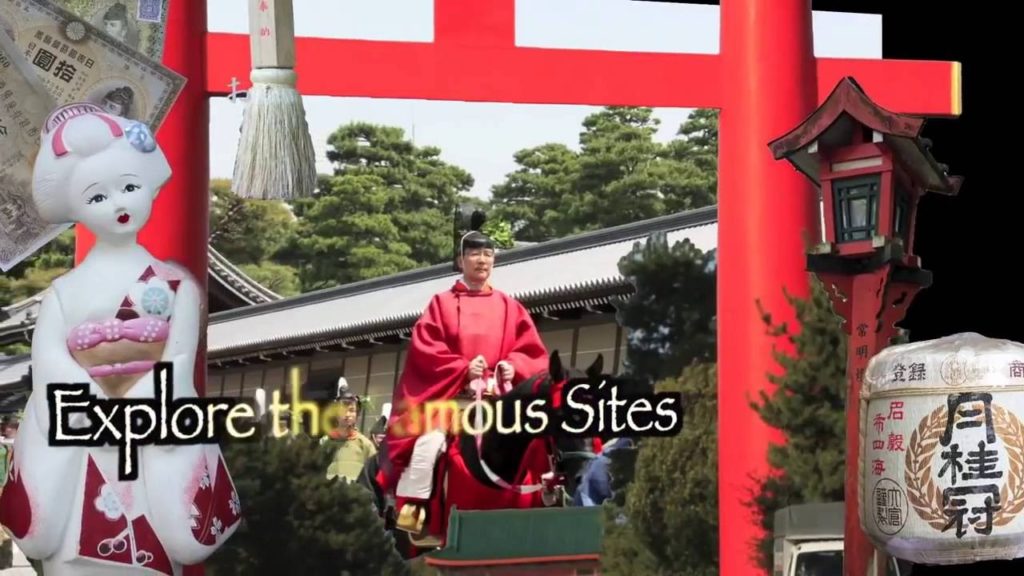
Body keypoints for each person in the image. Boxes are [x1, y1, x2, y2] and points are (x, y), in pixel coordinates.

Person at [0, 102, 240, 575]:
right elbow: (49, 364)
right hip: (82, 433)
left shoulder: (176, 285)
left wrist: (138, 404)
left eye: (129, 187)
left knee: (155, 541)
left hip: (149, 426)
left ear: (149, 185)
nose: (118, 204)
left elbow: (177, 361)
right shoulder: (63, 292)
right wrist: (92, 403)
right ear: (75, 209)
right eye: (96, 197)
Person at [380, 227, 549, 548]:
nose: (482, 260)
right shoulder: (441, 304)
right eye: (474, 254)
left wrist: (514, 365)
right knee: (428, 446)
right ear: (461, 260)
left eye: (488, 254)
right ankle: (416, 513)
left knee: (540, 443)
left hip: (498, 403)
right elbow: (426, 350)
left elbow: (531, 352)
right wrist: (462, 369)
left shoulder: (510, 307)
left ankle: (550, 497)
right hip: (454, 402)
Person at [322, 378, 376, 484]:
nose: (347, 415)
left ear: (357, 414)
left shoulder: (365, 445)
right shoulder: (324, 442)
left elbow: (374, 476)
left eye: (351, 410)